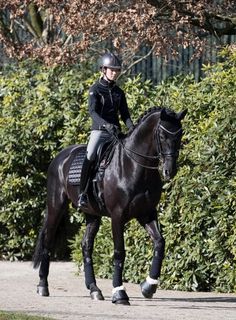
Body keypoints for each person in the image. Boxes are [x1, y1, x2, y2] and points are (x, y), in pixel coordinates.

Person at [78, 52, 134, 208]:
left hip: (115, 133)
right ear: (103, 70)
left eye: (116, 70)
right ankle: (82, 193)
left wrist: (132, 129)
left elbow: (125, 115)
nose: (114, 73)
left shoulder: (119, 92)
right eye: (111, 70)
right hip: (99, 132)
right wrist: (105, 125)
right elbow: (92, 112)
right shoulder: (95, 89)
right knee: (89, 156)